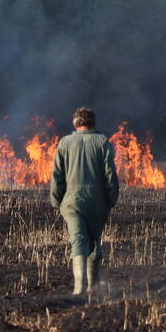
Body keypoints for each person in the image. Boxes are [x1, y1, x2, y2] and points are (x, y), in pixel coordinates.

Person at [50, 107, 119, 297]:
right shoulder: (102, 142)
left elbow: (57, 176)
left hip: (72, 202)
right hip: (97, 202)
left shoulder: (64, 143)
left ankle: (79, 286)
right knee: (94, 242)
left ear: (75, 123)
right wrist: (112, 198)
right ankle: (93, 285)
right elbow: (110, 174)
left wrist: (56, 199)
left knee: (78, 239)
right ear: (93, 123)